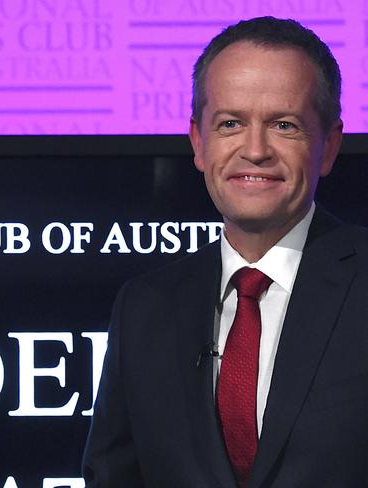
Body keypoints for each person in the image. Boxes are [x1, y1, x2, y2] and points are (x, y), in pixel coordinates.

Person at [83, 16, 368, 488]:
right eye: (231, 123)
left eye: (284, 125)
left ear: (329, 146)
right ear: (199, 142)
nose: (254, 150)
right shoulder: (144, 307)